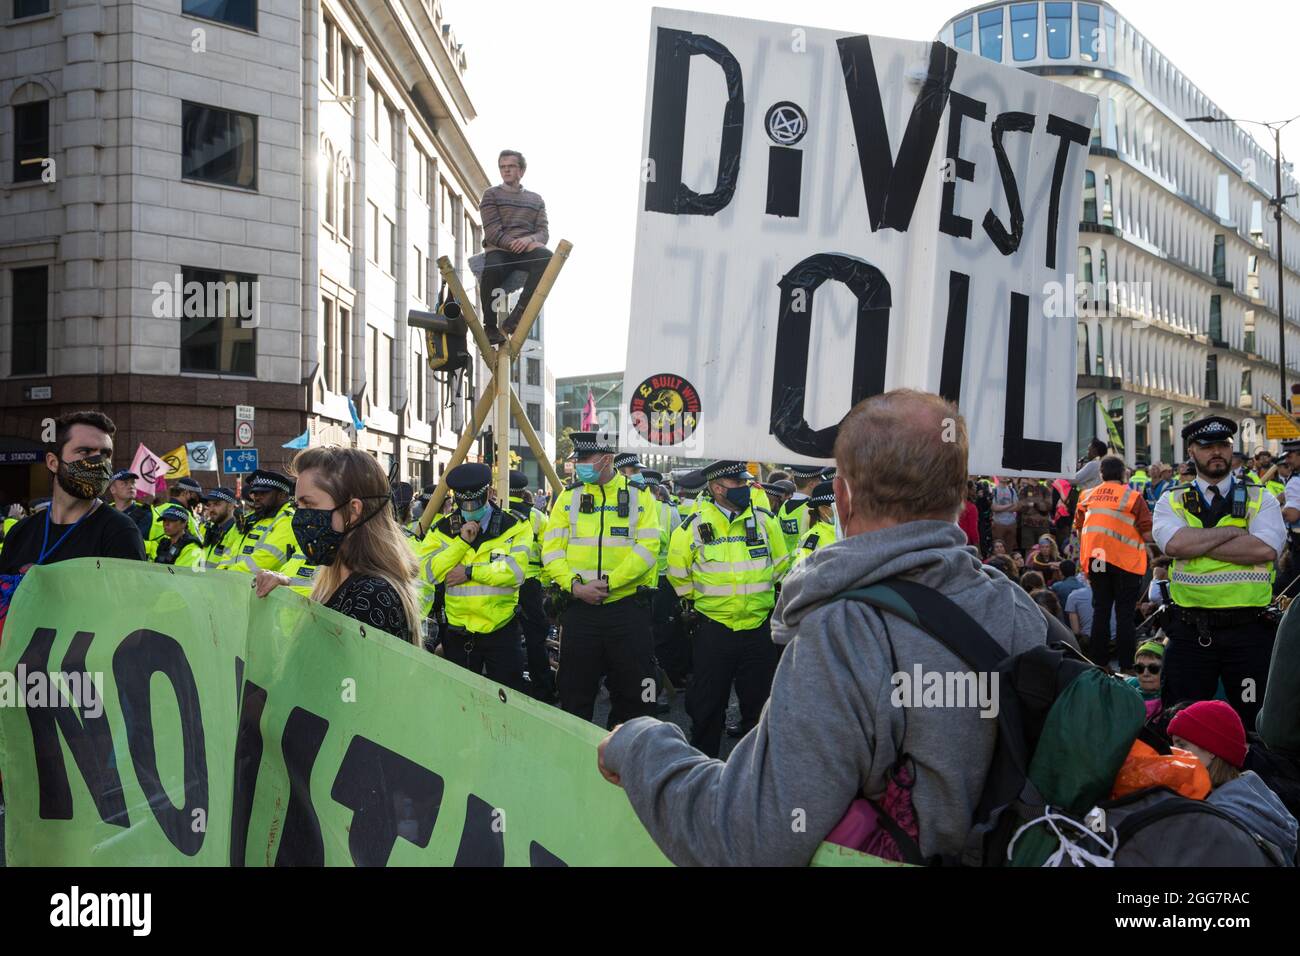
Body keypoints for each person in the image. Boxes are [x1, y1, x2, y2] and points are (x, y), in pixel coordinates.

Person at [596, 389, 1060, 865]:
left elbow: (749, 840)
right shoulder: (1018, 608)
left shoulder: (844, 632)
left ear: (842, 497)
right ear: (961, 494)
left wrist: (641, 745)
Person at [1154, 415, 1285, 726]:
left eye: (1223, 445)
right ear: (1191, 451)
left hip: (1249, 632)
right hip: (1190, 632)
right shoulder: (1170, 500)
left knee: (1255, 723)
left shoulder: (1260, 497)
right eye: (1207, 445)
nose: (1216, 452)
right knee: (1183, 723)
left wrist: (1196, 543)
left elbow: (1265, 549)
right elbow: (1173, 545)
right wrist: (1235, 533)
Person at [664, 460, 787, 758]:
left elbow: (781, 566)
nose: (745, 488)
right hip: (714, 630)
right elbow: (677, 573)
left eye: (745, 482)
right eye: (738, 484)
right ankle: (703, 770)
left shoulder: (764, 520)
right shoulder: (692, 526)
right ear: (718, 488)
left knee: (760, 708)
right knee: (707, 707)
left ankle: (757, 771)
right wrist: (707, 602)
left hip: (759, 629)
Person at [541, 431, 661, 727]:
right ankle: (574, 761)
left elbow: (648, 549)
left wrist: (610, 583)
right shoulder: (568, 498)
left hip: (626, 609)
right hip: (580, 610)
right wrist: (575, 587)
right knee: (574, 694)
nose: (578, 464)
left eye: (584, 458)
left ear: (607, 460)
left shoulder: (639, 495)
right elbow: (552, 551)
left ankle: (625, 757)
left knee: (636, 694)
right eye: (577, 459)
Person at [253, 447, 421, 643]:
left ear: (353, 510)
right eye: (297, 506)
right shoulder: (338, 580)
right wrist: (283, 593)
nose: (300, 516)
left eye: (309, 504)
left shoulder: (372, 596)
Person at [417, 463, 532, 689]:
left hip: (501, 631)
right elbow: (427, 572)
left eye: (475, 503)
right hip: (459, 633)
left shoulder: (514, 526)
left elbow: (515, 572)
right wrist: (461, 544)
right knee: (460, 703)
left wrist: (469, 572)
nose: (470, 509)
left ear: (489, 494)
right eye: (463, 504)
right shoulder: (441, 530)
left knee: (509, 701)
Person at [0, 412, 146, 574]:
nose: (99, 462)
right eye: (85, 452)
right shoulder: (20, 533)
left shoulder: (120, 531)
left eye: (106, 454)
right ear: (53, 463)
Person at [1168, 700, 1297, 862]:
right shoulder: (1256, 796)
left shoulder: (1218, 821)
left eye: (1182, 745)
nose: (1174, 754)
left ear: (1211, 750)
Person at [1074, 455, 1154, 670]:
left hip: (1097, 560)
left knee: (1101, 611)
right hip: (1125, 564)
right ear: (1123, 474)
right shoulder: (1133, 497)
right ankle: (1127, 665)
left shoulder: (1086, 495)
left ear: (1101, 474)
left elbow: (1080, 526)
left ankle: (1098, 664)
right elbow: (1147, 534)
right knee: (1125, 614)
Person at [477, 149, 550, 345]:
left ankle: (517, 316)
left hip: (526, 250)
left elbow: (543, 232)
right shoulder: (491, 195)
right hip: (499, 250)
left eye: (511, 166)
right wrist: (513, 243)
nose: (506, 170)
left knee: (546, 257)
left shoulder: (536, 199)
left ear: (522, 170)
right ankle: (490, 326)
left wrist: (527, 241)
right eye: (502, 167)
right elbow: (491, 230)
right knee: (492, 268)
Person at [508, 469, 555, 701]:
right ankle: (543, 690)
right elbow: (549, 553)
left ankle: (511, 685)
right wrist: (546, 582)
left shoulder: (498, 511)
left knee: (506, 636)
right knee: (535, 637)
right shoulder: (538, 517)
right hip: (530, 583)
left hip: (502, 581)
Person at [228, 469, 297, 574]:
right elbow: (229, 552)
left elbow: (265, 560)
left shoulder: (288, 520)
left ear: (282, 495)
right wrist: (221, 575)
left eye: (263, 493)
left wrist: (228, 575)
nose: (257, 498)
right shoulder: (249, 519)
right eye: (255, 493)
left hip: (261, 588)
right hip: (235, 585)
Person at [786, 481, 836, 573]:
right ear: (823, 509)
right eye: (836, 507)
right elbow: (800, 572)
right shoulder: (811, 538)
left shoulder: (850, 530)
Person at [777, 464, 821, 554]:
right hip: (804, 562)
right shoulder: (811, 508)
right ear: (811, 484)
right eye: (818, 481)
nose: (820, 483)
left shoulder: (784, 506)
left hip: (786, 563)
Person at [199, 487, 243, 569]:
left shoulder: (238, 532)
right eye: (209, 505)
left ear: (230, 506)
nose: (211, 509)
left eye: (216, 504)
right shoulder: (207, 529)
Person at [1125, 640, 1166, 718]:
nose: (1145, 673)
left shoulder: (1172, 697)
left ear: (1165, 670)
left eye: (1153, 668)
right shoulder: (1126, 686)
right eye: (1139, 668)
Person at [990, 476, 1019, 554]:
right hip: (999, 523)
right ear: (997, 477)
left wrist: (1001, 508)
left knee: (1010, 548)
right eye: (1001, 475)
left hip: (1011, 523)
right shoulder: (994, 490)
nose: (1004, 476)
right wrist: (1010, 505)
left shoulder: (1012, 490)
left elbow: (1016, 507)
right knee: (998, 547)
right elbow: (994, 508)